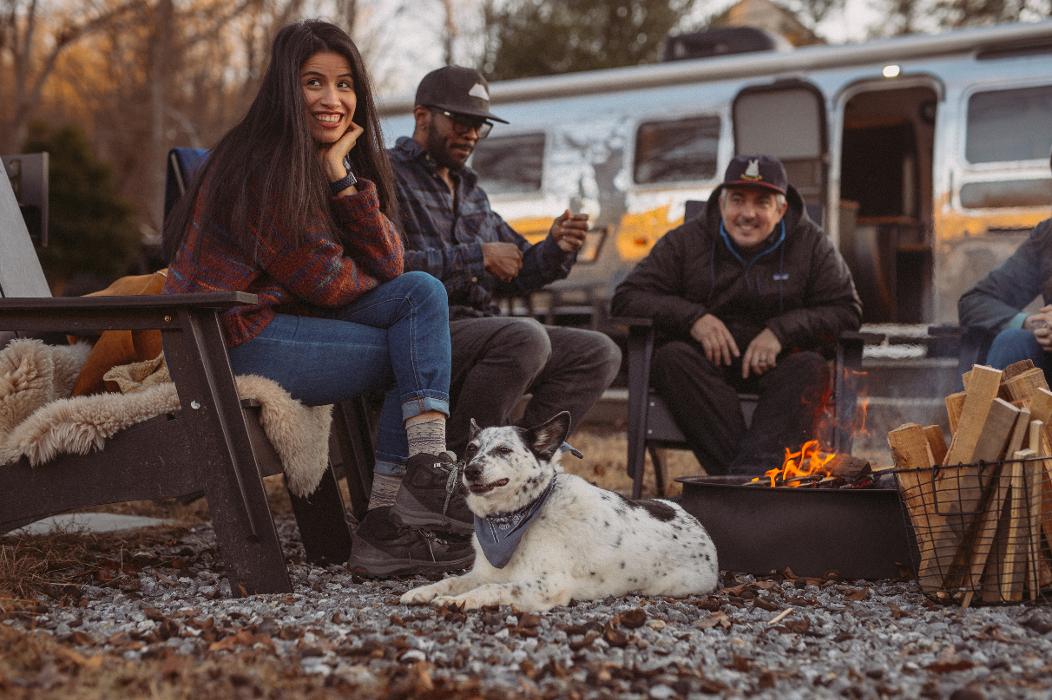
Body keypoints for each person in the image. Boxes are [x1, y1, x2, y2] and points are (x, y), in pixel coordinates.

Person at [162, 20, 473, 577]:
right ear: (286, 87)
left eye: (345, 84)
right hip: (228, 337)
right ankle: (390, 523)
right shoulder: (260, 165)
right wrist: (356, 256)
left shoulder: (317, 160)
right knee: (413, 349)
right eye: (314, 83)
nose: (333, 99)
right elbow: (328, 281)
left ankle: (422, 471)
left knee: (422, 295)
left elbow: (392, 265)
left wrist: (341, 176)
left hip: (285, 316)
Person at [379, 65, 621, 464]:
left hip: (486, 330)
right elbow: (385, 266)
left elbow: (520, 269)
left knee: (598, 351)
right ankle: (458, 469)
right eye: (461, 122)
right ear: (422, 116)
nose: (472, 134)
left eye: (479, 126)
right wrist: (478, 256)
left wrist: (556, 247)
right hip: (424, 333)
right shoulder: (387, 176)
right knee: (525, 337)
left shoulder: (472, 190)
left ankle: (523, 464)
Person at [611, 155, 862, 474]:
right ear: (721, 203)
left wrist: (781, 331)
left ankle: (738, 484)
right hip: (705, 370)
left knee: (810, 367)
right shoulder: (686, 240)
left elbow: (847, 311)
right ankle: (754, 482)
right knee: (671, 358)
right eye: (738, 200)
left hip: (779, 366)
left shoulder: (812, 243)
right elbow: (626, 298)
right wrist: (694, 319)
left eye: (762, 202)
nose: (747, 214)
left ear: (781, 209)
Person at [958, 149, 1052, 379]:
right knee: (1012, 342)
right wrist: (1031, 323)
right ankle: (981, 415)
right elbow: (975, 302)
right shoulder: (1047, 236)